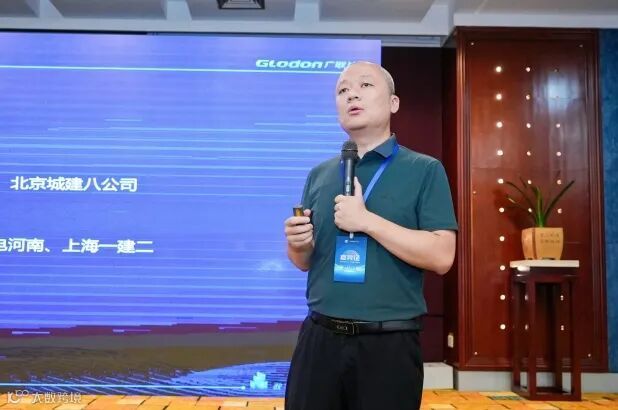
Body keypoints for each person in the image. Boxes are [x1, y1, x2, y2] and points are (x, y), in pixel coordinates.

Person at [283, 61, 457, 410]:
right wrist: (297, 244)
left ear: (393, 103)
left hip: (388, 345)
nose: (352, 95)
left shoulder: (424, 169)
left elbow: (442, 256)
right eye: (342, 90)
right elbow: (303, 262)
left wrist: (366, 221)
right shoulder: (320, 174)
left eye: (365, 85)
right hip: (319, 340)